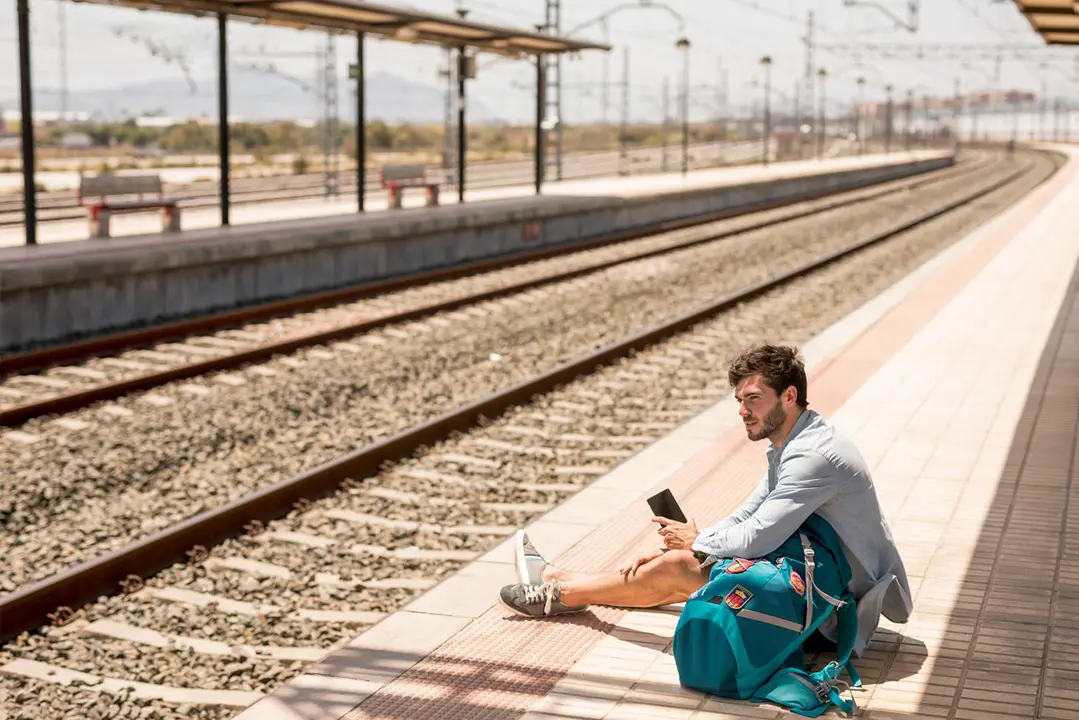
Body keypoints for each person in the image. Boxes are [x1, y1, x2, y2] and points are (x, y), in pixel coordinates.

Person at [498, 344, 912, 656]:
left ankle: (558, 593)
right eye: (739, 401)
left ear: (789, 396)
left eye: (753, 399)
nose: (743, 411)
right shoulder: (798, 439)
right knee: (684, 564)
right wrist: (694, 540)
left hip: (831, 615)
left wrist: (695, 545)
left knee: (682, 566)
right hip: (816, 579)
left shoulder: (812, 457)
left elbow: (755, 538)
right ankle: (563, 581)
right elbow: (750, 511)